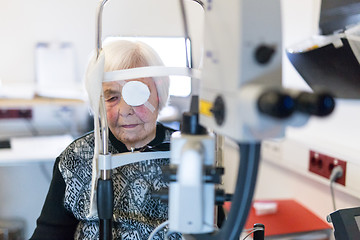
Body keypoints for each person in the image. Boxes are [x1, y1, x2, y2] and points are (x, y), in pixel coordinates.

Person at [30, 40, 181, 240]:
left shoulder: (188, 153)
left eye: (137, 94)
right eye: (112, 97)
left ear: (159, 94)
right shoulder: (76, 159)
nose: (125, 111)